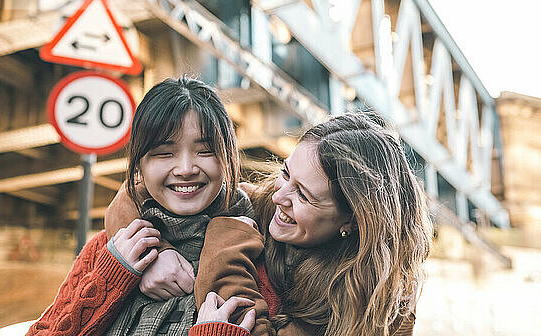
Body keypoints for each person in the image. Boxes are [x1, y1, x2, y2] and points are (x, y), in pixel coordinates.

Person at [139, 112, 433, 336]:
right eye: (285, 172)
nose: (280, 195)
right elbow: (134, 195)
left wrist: (225, 241)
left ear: (353, 221)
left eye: (303, 195)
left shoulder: (383, 304)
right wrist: (157, 253)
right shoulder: (251, 205)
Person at [27, 76, 256, 336]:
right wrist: (112, 277)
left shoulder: (261, 253)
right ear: (139, 164)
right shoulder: (108, 250)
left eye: (205, 151)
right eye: (164, 153)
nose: (185, 169)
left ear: (227, 156)